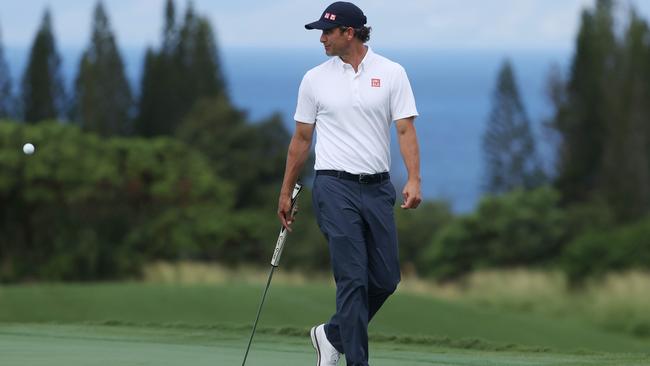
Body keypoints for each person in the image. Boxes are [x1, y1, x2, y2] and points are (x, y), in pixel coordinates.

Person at [277, 2, 421, 365]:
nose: (322, 39)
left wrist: (414, 178)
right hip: (333, 187)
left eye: (328, 32)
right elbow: (301, 140)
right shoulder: (314, 79)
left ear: (350, 33)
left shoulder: (391, 73)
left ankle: (332, 334)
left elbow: (404, 128)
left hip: (377, 189)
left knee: (386, 279)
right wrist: (286, 191)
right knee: (353, 281)